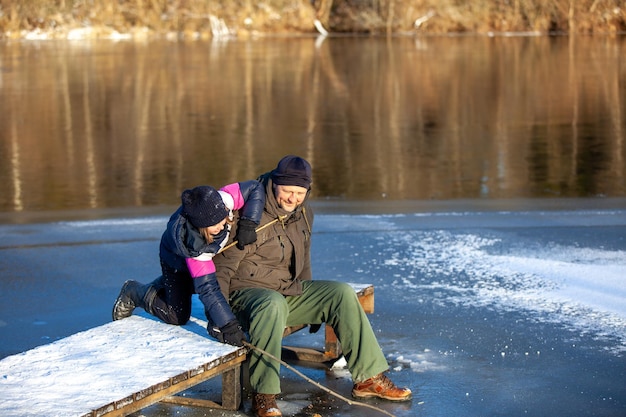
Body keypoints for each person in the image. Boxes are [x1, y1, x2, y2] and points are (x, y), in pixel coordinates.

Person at [214, 155, 411, 417]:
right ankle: (265, 397)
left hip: (284, 293)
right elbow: (221, 268)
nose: (293, 199)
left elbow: (302, 259)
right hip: (245, 297)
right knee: (271, 304)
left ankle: (368, 379)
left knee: (340, 293)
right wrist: (221, 318)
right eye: (287, 191)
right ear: (274, 185)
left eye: (299, 193)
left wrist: (309, 297)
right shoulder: (249, 213)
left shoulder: (304, 212)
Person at [112, 180, 265, 347]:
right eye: (216, 224)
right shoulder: (195, 249)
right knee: (176, 316)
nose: (224, 225)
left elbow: (254, 188)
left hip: (205, 258)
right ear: (201, 227)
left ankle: (170, 284)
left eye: (224, 218)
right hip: (175, 263)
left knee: (202, 282)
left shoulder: (223, 200)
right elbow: (208, 289)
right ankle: (135, 292)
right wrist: (227, 326)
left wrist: (249, 224)